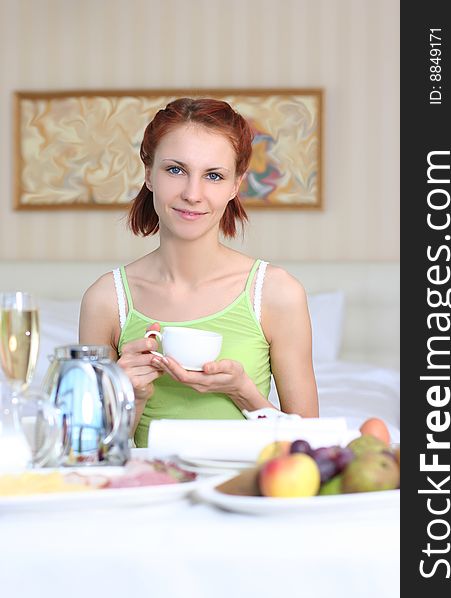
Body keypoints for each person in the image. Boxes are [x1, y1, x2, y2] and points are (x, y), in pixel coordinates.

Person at [79, 97, 319, 447]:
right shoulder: (104, 299)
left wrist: (243, 393)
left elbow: (311, 447)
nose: (193, 194)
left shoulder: (277, 293)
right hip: (150, 495)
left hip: (244, 494)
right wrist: (133, 396)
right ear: (148, 174)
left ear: (236, 184)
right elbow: (90, 452)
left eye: (213, 175)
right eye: (175, 170)